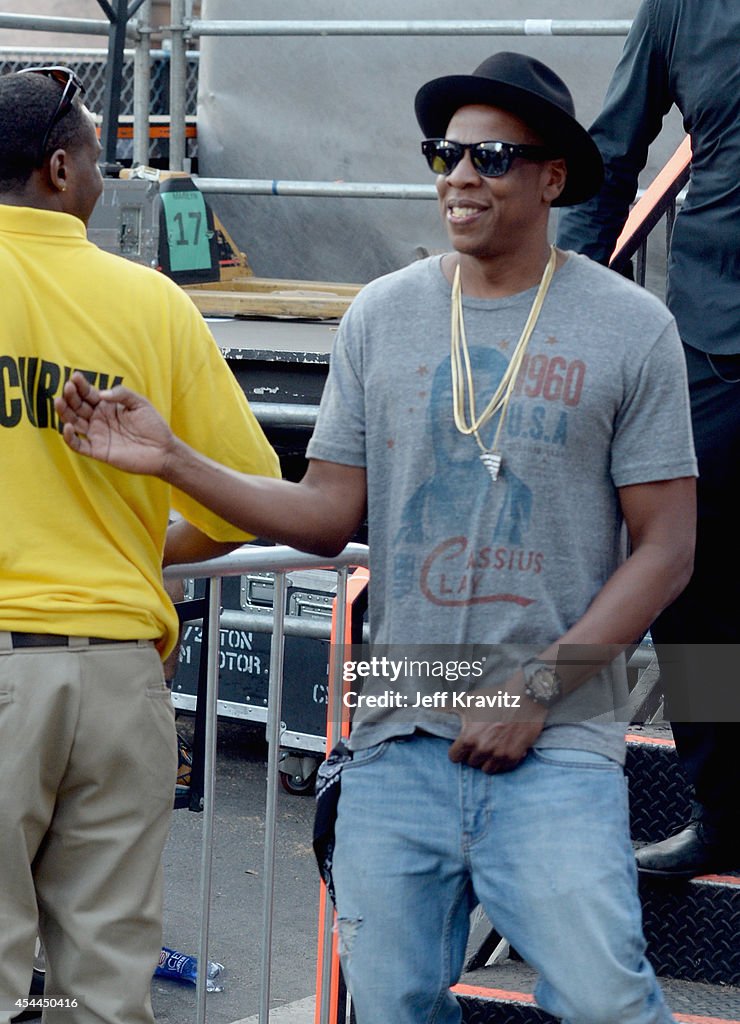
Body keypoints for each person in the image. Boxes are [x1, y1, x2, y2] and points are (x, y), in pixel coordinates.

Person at [55, 52, 697, 1024]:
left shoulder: (629, 328)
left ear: (551, 176)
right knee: (391, 1001)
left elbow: (664, 546)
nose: (458, 175)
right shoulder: (383, 315)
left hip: (558, 731)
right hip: (400, 732)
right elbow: (324, 514)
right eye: (444, 153)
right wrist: (174, 458)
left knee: (605, 998)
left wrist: (537, 689)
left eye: (490, 156)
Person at [0, 67, 279, 1024]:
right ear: (57, 168)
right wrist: (129, 555)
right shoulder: (153, 303)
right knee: (105, 984)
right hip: (119, 678)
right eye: (94, 155)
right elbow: (248, 500)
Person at [556, 0, 740, 878]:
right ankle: (726, 810)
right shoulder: (683, 8)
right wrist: (568, 310)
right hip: (716, 335)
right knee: (690, 587)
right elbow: (611, 153)